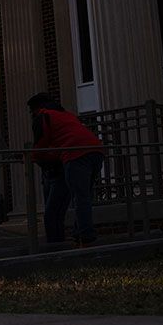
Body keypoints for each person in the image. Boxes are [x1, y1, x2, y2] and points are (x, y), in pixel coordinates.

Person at [28, 93, 104, 248]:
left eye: (31, 111)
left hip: (76, 154)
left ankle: (85, 236)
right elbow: (59, 144)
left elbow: (41, 144)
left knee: (80, 197)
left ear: (36, 108)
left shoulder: (43, 116)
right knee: (84, 195)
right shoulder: (65, 115)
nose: (31, 115)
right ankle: (79, 233)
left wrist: (31, 157)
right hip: (96, 151)